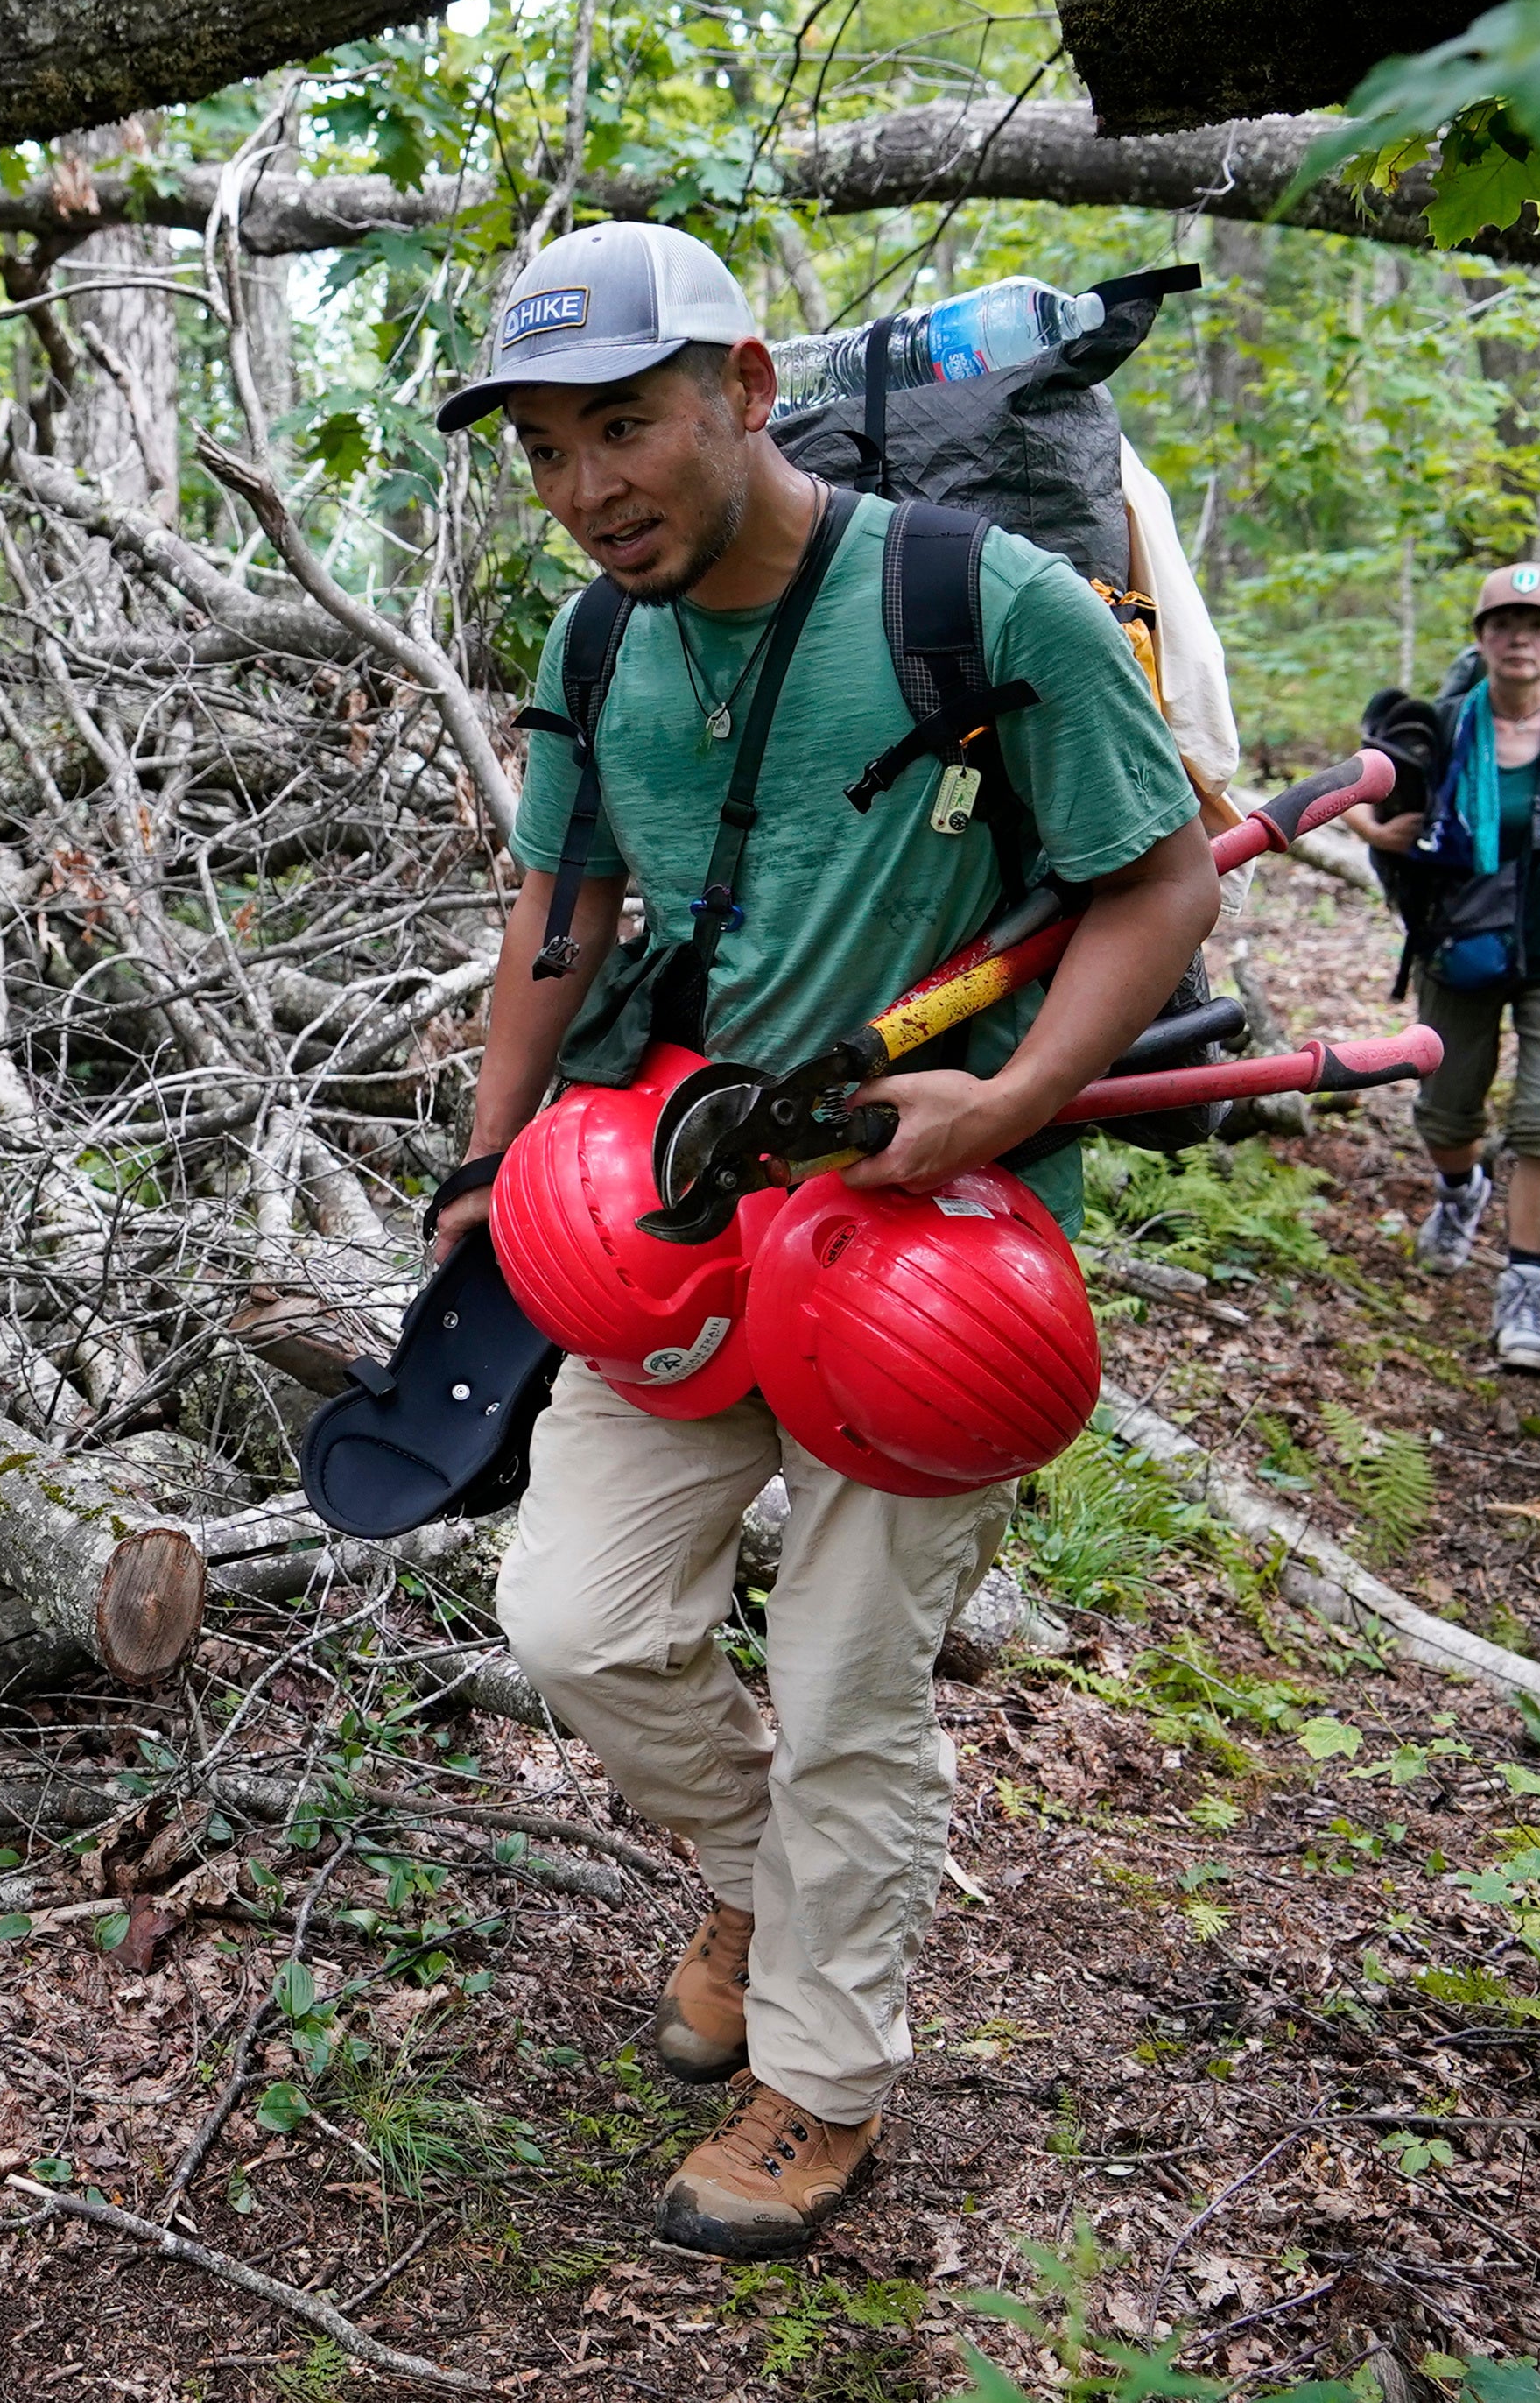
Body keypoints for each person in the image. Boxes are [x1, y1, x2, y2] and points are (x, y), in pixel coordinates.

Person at [425, 222, 1213, 2260]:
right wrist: (486, 1158)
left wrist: (1005, 1102)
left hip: (923, 1249)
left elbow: (1157, 883)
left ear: (744, 390)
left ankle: (819, 2080)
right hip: (679, 1213)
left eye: (621, 424)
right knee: (575, 1621)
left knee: (851, 1683)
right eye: (542, 449)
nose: (585, 486)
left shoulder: (975, 602)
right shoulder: (596, 644)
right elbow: (561, 910)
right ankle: (752, 1878)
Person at [1354, 563, 1540, 1372]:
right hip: (1457, 944)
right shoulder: (1441, 725)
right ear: (1481, 637)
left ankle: (1524, 1289)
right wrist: (1376, 832)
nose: (1519, 637)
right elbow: (1361, 792)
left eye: (1538, 624)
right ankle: (1462, 1191)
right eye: (1503, 622)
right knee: (1444, 1115)